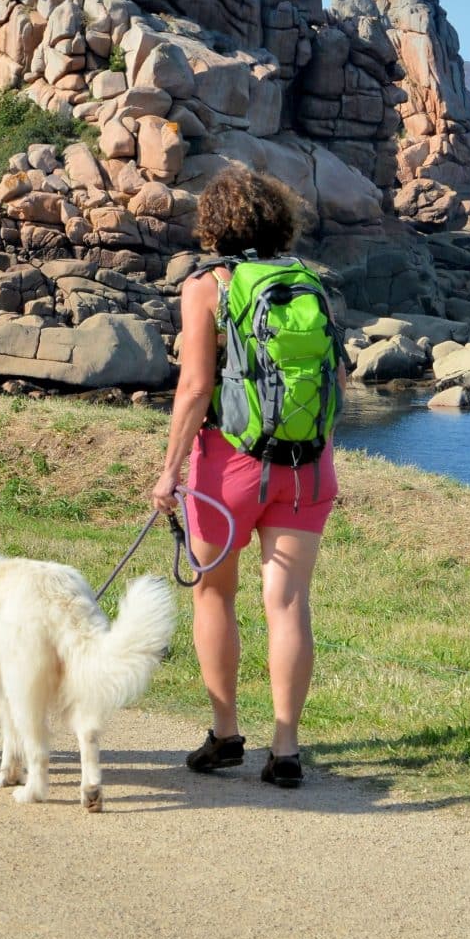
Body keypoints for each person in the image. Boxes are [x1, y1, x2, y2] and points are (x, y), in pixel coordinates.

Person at [152, 168, 337, 789]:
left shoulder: (206, 286)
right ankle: (285, 749)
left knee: (214, 595)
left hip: (227, 466)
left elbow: (197, 386)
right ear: (278, 217)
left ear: (212, 223)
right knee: (287, 605)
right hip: (306, 466)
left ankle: (226, 732)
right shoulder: (306, 281)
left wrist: (169, 470)